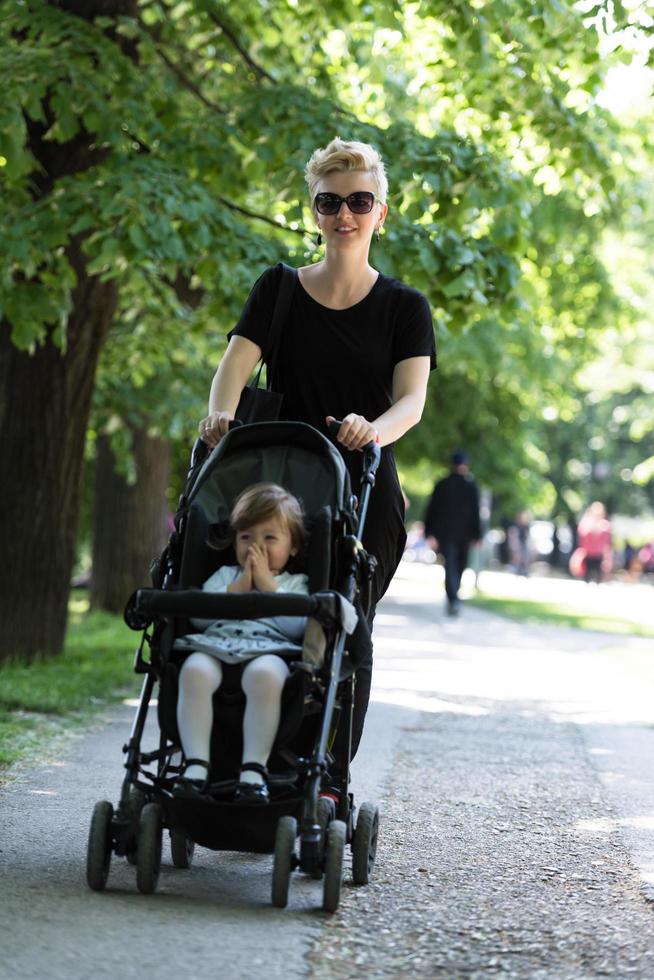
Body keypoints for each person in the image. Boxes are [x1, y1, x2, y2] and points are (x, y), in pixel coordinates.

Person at [198, 138, 436, 791]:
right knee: (253, 604)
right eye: (331, 202)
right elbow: (233, 371)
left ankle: (324, 775)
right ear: (316, 209)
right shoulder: (277, 289)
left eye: (360, 201)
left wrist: (373, 427)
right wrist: (219, 418)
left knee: (341, 620)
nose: (345, 215)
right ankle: (230, 757)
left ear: (381, 212)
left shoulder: (404, 308)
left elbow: (412, 400)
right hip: (277, 481)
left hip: (361, 485)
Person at [173, 483, 308, 803]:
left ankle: (253, 770)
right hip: (216, 647)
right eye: (246, 537)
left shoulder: (294, 583)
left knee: (266, 676)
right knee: (193, 670)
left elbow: (298, 627)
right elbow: (199, 617)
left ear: (293, 547)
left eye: (269, 538)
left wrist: (267, 586)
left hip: (269, 651)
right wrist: (238, 588)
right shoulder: (224, 576)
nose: (255, 547)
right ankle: (195, 765)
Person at [424, 450, 481, 615]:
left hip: (454, 534)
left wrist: (430, 533)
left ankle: (453, 597)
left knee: (455, 566)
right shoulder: (453, 485)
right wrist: (477, 535)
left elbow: (431, 510)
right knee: (454, 566)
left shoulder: (462, 485)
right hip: (455, 534)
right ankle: (454, 599)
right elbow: (433, 509)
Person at [577, 501, 613, 584]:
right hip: (587, 554)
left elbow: (607, 544)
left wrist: (607, 558)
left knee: (598, 577)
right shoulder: (586, 524)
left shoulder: (605, 526)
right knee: (586, 576)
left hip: (599, 555)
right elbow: (582, 537)